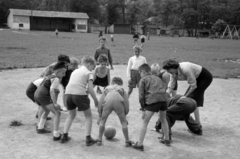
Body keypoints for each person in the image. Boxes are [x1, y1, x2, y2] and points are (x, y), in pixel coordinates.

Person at [60, 56, 98, 146]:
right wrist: (96, 100)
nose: (93, 69)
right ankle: (88, 139)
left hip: (68, 94)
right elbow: (91, 89)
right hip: (79, 95)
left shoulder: (75, 71)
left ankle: (64, 136)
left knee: (71, 115)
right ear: (89, 64)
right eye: (93, 67)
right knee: (88, 116)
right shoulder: (89, 73)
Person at [163, 59, 213, 127]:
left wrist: (185, 96)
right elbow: (171, 86)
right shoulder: (173, 73)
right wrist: (165, 95)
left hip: (205, 77)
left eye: (169, 70)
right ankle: (184, 117)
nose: (169, 72)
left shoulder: (186, 69)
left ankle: (197, 124)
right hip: (196, 78)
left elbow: (193, 86)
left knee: (191, 99)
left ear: (174, 68)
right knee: (189, 99)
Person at [132, 64, 170, 151]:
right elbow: (164, 88)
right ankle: (166, 139)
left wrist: (143, 108)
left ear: (143, 72)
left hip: (153, 100)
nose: (140, 74)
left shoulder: (143, 79)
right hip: (164, 99)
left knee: (145, 122)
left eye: (140, 72)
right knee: (163, 119)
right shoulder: (158, 78)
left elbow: (141, 96)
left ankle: (140, 144)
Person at [96, 77, 133, 147]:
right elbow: (126, 103)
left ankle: (99, 139)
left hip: (108, 101)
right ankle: (127, 141)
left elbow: (100, 102)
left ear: (112, 83)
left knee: (103, 120)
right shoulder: (122, 89)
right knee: (123, 122)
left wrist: (100, 115)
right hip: (118, 102)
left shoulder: (107, 88)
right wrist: (125, 116)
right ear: (120, 84)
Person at [34, 62, 67, 141]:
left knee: (47, 110)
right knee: (57, 113)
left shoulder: (49, 76)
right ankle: (56, 135)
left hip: (37, 94)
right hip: (43, 95)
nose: (64, 75)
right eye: (62, 73)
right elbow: (52, 90)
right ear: (57, 72)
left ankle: (40, 127)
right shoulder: (56, 78)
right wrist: (55, 103)